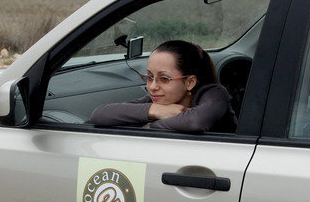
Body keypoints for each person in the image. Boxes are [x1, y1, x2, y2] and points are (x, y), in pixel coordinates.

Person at [90, 40, 237, 133]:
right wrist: (154, 110)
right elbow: (99, 114)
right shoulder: (156, 103)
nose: (153, 87)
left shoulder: (215, 94)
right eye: (149, 77)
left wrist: (152, 126)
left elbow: (195, 122)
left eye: (164, 79)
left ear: (189, 82)